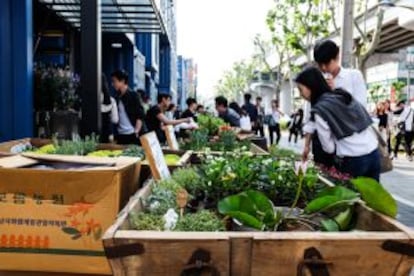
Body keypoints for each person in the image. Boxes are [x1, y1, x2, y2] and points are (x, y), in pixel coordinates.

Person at [296, 67, 380, 181]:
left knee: (351, 196)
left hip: (353, 159)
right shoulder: (341, 94)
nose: (301, 94)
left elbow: (329, 148)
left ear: (311, 86)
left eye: (301, 89)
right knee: (372, 197)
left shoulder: (320, 110)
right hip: (373, 153)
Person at [303, 39, 368, 166]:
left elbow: (360, 110)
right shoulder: (315, 83)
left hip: (348, 143)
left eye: (327, 63)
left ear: (337, 57)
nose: (323, 68)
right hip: (322, 143)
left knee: (347, 183)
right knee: (325, 183)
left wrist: (334, 93)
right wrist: (306, 146)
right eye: (320, 64)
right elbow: (310, 119)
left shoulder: (354, 76)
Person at [111, 70, 145, 145]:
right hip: (120, 135)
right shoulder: (116, 97)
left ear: (122, 81)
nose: (113, 84)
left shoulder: (134, 95)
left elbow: (140, 114)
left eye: (114, 81)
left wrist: (136, 131)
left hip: (132, 134)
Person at [100, 73, 118, 143]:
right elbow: (115, 120)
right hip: (106, 135)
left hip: (90, 134)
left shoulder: (88, 100)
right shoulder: (111, 101)